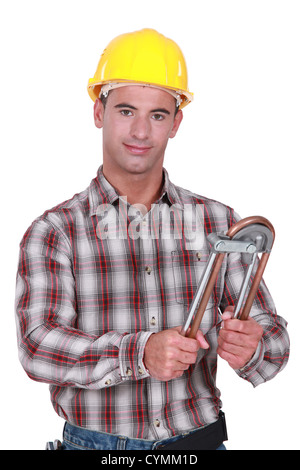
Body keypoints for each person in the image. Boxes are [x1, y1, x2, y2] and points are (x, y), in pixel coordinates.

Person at [15, 28, 289, 451]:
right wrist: (138, 354)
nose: (141, 131)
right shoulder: (54, 233)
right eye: (126, 110)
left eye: (157, 115)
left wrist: (252, 345)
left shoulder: (219, 222)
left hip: (199, 446)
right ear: (98, 112)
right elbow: (37, 346)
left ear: (176, 123)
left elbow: (273, 347)